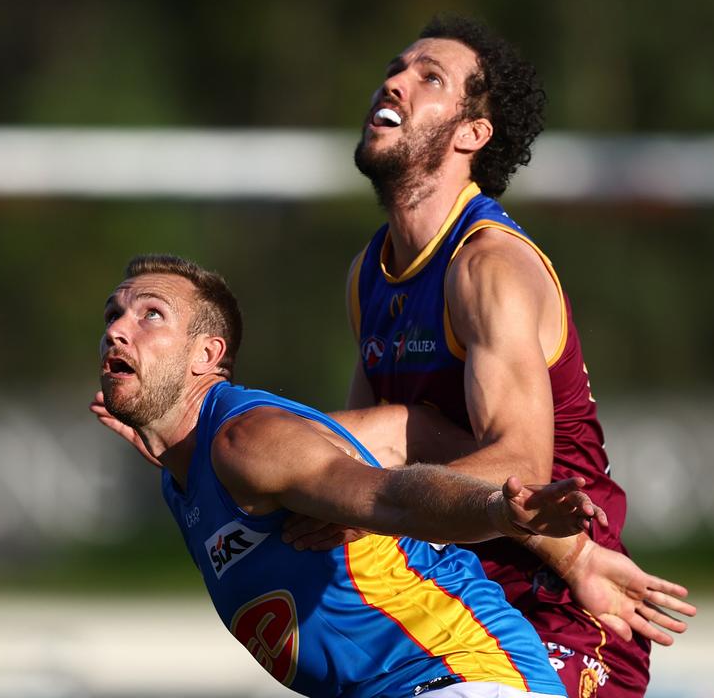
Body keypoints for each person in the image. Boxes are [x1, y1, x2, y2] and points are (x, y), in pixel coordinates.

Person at [314, 15, 690, 697]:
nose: (393, 82)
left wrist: (360, 481)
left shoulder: (488, 265)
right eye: (395, 68)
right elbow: (353, 460)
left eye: (429, 77)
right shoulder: (368, 271)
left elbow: (518, 471)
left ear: (471, 134)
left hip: (559, 608)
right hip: (448, 603)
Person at [97, 253, 608, 698]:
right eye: (113, 315)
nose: (117, 330)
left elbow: (394, 498)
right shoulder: (185, 470)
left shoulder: (247, 441)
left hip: (460, 676)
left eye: (151, 316)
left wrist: (500, 510)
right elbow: (406, 428)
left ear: (206, 355)